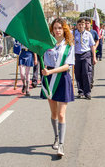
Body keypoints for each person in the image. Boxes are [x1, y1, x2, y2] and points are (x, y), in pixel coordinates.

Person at [41, 18, 75, 157]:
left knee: (61, 114)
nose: (57, 30)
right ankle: (56, 137)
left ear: (64, 29)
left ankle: (61, 144)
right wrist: (44, 69)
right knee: (54, 113)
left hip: (62, 78)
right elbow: (42, 58)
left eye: (60, 28)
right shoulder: (47, 44)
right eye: (55, 28)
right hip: (49, 79)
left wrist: (51, 71)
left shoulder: (69, 45)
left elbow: (68, 65)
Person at [74, 18, 96, 100]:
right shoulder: (73, 34)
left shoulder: (88, 34)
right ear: (77, 25)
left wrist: (94, 57)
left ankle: (87, 92)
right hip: (77, 55)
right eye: (79, 25)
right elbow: (71, 46)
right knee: (78, 74)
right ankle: (80, 91)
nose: (81, 26)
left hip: (86, 54)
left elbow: (92, 46)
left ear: (84, 25)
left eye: (82, 25)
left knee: (86, 73)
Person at [84, 18, 99, 89]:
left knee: (91, 68)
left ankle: (90, 81)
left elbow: (97, 40)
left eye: (87, 23)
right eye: (85, 23)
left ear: (90, 24)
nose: (86, 25)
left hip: (92, 51)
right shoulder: (81, 32)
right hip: (84, 52)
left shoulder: (93, 32)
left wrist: (95, 47)